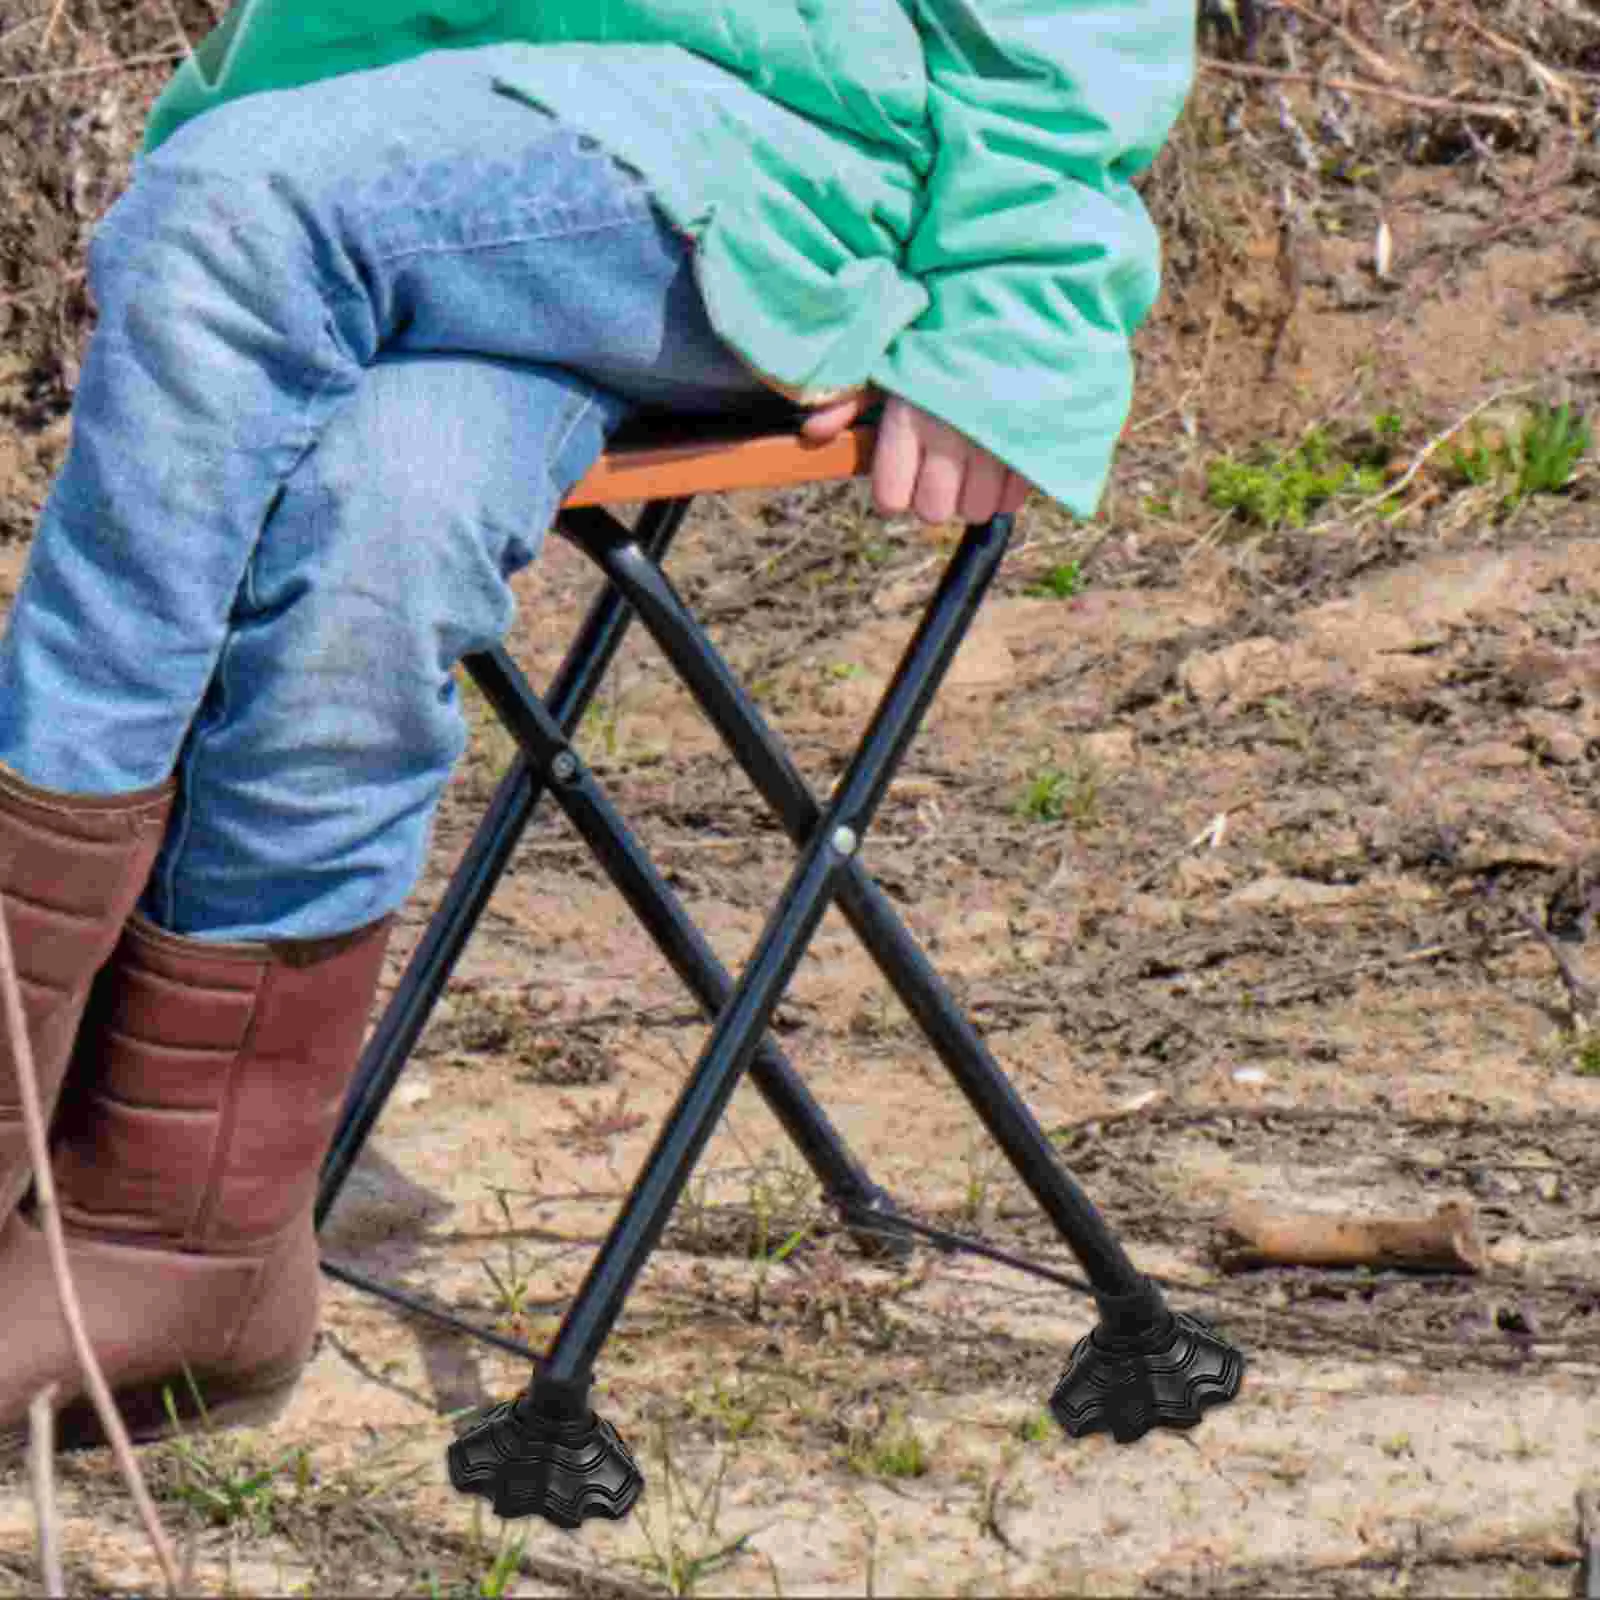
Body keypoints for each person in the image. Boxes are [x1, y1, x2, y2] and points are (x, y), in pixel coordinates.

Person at [0, 0, 1195, 1440]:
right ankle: (188, 1247)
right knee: (378, 521)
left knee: (235, 217)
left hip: (773, 155)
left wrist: (1016, 296)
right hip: (442, 115)